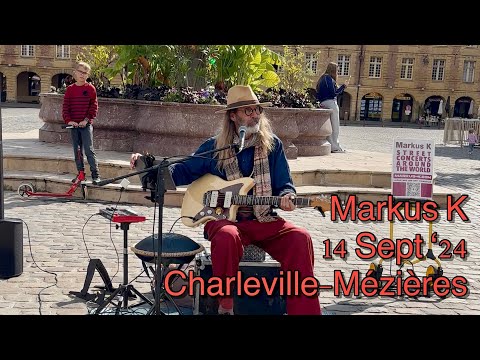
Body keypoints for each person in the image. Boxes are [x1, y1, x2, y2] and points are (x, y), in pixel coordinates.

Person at [130, 85, 322, 315]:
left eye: (257, 109)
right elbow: (182, 171)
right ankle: (225, 306)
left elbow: (284, 184)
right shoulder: (214, 147)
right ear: (233, 116)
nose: (255, 115)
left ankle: (305, 311)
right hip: (224, 220)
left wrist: (287, 197)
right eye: (247, 111)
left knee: (300, 238)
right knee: (226, 236)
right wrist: (150, 167)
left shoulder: (273, 145)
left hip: (263, 219)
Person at [62, 61, 101, 184]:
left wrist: (86, 120)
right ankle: (81, 174)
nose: (82, 75)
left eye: (85, 73)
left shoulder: (90, 89)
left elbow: (93, 107)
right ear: (75, 73)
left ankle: (95, 175)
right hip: (73, 126)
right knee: (77, 151)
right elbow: (65, 107)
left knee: (89, 150)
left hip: (85, 125)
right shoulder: (70, 90)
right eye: (80, 72)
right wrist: (69, 121)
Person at [315, 62, 349, 153]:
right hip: (331, 103)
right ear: (333, 70)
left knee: (329, 126)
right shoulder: (328, 78)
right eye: (337, 70)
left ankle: (330, 145)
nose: (337, 72)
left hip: (323, 103)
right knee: (335, 126)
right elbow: (334, 93)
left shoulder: (322, 79)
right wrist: (343, 86)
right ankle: (335, 146)